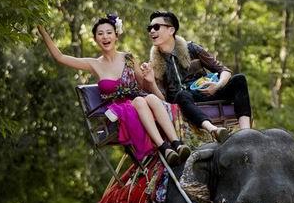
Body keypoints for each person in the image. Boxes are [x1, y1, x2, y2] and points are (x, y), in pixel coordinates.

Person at [37, 14, 190, 165]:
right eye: (100, 34)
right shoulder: (94, 64)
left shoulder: (128, 58)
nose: (105, 37)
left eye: (109, 32)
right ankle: (164, 149)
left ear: (116, 36)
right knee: (139, 101)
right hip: (117, 110)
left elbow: (143, 86)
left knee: (149, 98)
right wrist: (42, 29)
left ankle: (176, 143)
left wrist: (149, 78)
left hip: (140, 100)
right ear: (95, 39)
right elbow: (60, 57)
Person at [141, 10, 252, 141]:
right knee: (181, 95)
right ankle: (213, 130)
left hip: (205, 91)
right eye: (150, 28)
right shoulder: (153, 65)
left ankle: (246, 132)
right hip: (184, 102)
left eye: (156, 27)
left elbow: (224, 70)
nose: (152, 31)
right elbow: (163, 100)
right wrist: (151, 83)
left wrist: (217, 85)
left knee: (239, 79)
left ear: (171, 30)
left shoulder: (192, 48)